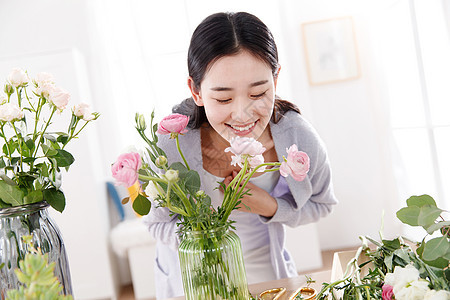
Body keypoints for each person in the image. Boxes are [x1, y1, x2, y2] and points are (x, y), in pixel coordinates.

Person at [144, 11, 338, 299]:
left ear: (276, 78)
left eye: (258, 93)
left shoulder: (299, 138)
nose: (242, 113)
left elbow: (323, 204)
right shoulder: (171, 145)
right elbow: (155, 222)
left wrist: (271, 206)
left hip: (269, 283)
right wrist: (203, 238)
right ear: (196, 91)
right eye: (223, 98)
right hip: (191, 288)